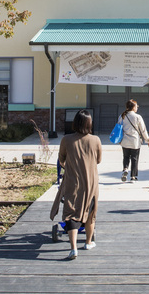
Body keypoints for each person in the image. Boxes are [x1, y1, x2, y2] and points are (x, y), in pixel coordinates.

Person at [51, 109, 101, 260]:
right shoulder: (95, 140)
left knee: (71, 212)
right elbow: (98, 160)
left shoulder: (66, 140)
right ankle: (87, 242)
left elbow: (61, 159)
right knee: (90, 212)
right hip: (90, 182)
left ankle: (73, 248)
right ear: (89, 123)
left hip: (72, 181)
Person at [119, 99, 149, 182]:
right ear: (133, 107)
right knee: (134, 158)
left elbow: (118, 128)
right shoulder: (137, 117)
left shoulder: (122, 116)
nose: (137, 108)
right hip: (135, 142)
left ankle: (125, 169)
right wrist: (147, 140)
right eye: (136, 106)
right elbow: (143, 130)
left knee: (125, 157)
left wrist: (119, 140)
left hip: (125, 141)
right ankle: (133, 176)